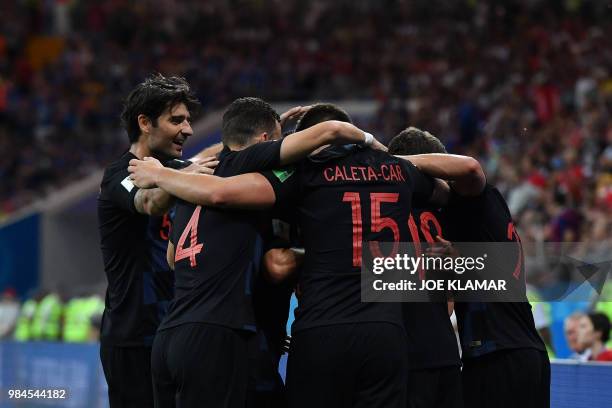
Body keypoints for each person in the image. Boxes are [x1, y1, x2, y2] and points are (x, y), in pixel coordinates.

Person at [128, 103, 484, 408]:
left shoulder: (301, 174)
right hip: (399, 338)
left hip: (316, 330)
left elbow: (227, 200)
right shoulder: (400, 172)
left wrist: (163, 175)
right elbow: (465, 175)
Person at [144, 98, 382, 408]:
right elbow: (276, 265)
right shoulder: (279, 182)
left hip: (174, 332)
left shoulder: (196, 182)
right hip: (234, 335)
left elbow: (172, 258)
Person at [403, 133, 550, 408]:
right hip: (509, 352)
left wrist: (395, 163)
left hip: (502, 355)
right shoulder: (472, 218)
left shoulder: (478, 200)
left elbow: (470, 167)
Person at [97, 73, 215, 408]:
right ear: (145, 122)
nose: (188, 129)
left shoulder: (178, 169)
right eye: (176, 120)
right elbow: (148, 203)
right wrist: (182, 175)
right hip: (134, 336)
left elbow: (210, 159)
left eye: (189, 120)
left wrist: (261, 131)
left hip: (178, 331)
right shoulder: (119, 174)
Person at [387, 127, 466, 408]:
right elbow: (450, 301)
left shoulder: (380, 208)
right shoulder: (448, 212)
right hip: (443, 353)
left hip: (400, 356)